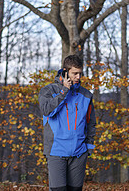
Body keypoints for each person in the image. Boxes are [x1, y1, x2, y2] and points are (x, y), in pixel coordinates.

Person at [38, 54, 96, 191]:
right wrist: (64, 91)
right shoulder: (48, 90)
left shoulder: (86, 95)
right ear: (65, 72)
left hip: (79, 153)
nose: (78, 77)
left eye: (80, 73)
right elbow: (47, 111)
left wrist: (88, 147)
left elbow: (91, 122)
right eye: (74, 73)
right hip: (56, 151)